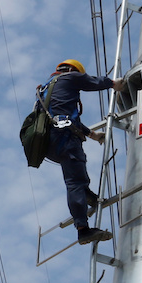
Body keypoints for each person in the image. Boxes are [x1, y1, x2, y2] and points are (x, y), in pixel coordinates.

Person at [39, 59, 126, 246]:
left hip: (49, 142)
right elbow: (91, 82)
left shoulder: (47, 88)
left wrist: (92, 135)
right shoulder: (72, 76)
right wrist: (112, 84)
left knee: (75, 177)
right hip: (65, 138)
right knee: (75, 182)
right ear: (72, 70)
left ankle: (86, 194)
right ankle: (83, 229)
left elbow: (63, 117)